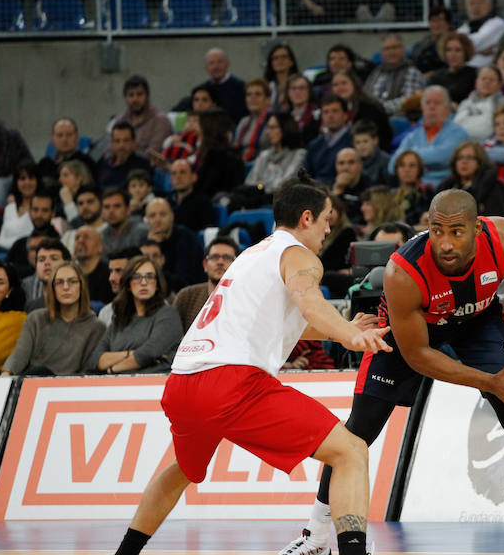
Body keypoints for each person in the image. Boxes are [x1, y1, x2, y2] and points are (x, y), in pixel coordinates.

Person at [286, 187, 504, 555]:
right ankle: (315, 535)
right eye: (436, 230)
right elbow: (417, 355)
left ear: (477, 229)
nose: (444, 242)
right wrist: (491, 382)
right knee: (357, 432)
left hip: (478, 319)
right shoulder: (402, 271)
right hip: (411, 333)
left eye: (456, 231)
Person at [112, 173, 391, 555]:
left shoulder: (252, 254)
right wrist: (349, 335)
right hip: (232, 383)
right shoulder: (299, 255)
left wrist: (339, 328)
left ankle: (125, 552)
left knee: (181, 470)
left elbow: (284, 318)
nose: (330, 226)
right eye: (328, 217)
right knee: (351, 451)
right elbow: (308, 299)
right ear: (306, 218)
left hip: (182, 383)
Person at [2, 261, 106, 376]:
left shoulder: (96, 327)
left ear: (82, 287)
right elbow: (20, 354)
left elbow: (88, 370)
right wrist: (6, 373)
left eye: (72, 282)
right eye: (59, 282)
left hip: (69, 387)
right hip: (32, 382)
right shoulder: (36, 319)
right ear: (52, 288)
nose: (66, 287)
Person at [89, 255, 183, 375]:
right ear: (128, 284)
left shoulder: (168, 315)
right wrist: (130, 354)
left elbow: (150, 352)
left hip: (154, 387)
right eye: (137, 277)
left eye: (149, 276)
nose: (143, 282)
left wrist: (113, 369)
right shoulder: (119, 319)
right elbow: (95, 359)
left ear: (157, 284)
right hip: (116, 388)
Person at [388, 86, 469, 188]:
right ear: (422, 108)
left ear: (447, 109)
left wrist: (411, 155)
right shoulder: (413, 135)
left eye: (437, 103)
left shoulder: (458, 133)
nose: (431, 107)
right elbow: (392, 166)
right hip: (413, 190)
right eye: (427, 103)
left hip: (444, 189)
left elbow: (444, 157)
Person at [173, 236, 240, 332]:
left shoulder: (244, 299)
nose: (220, 262)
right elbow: (172, 336)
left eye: (227, 258)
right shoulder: (186, 297)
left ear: (237, 265)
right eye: (214, 257)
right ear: (205, 265)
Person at [435, 141, 504, 220]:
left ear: (480, 162)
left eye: (470, 157)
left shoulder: (494, 187)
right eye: (460, 158)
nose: (464, 162)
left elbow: (503, 222)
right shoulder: (445, 188)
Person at [144, 198, 204, 290]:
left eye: (162, 214)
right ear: (146, 219)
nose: (158, 219)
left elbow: (182, 281)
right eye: (152, 216)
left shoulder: (186, 238)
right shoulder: (145, 242)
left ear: (172, 216)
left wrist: (160, 246)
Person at [0, 102, 32, 205]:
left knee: (0, 184)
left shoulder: (4, 134)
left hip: (20, 176)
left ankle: (1, 216)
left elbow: (2, 170)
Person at [364, 34, 426, 117]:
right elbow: (365, 94)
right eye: (387, 49)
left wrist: (378, 108)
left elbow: (409, 101)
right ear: (381, 53)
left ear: (403, 50)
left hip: (396, 117)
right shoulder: (376, 72)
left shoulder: (411, 71)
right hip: (372, 116)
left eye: (395, 47)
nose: (391, 52)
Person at [331, 69, 393, 151]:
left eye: (344, 83)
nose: (340, 88)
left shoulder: (370, 107)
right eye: (335, 85)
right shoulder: (331, 110)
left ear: (354, 84)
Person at [112, 75, 173, 157]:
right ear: (125, 98)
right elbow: (110, 151)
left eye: (139, 94)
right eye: (131, 95)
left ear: (147, 96)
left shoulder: (160, 121)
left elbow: (152, 155)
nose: (135, 99)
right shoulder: (119, 120)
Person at [245, 112, 306, 194]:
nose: (268, 132)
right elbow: (249, 182)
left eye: (273, 127)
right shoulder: (264, 155)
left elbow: (285, 185)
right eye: (268, 127)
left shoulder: (299, 155)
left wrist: (261, 185)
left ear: (286, 128)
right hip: (257, 199)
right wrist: (261, 186)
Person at [193, 108, 245, 198]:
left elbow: (205, 189)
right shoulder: (205, 154)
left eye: (199, 124)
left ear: (208, 129)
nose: (196, 129)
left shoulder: (220, 158)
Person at [305, 96, 354, 186]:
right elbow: (307, 176)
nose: (330, 116)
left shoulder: (354, 142)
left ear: (345, 115)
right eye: (326, 112)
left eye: (335, 111)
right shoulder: (314, 145)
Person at [455, 0, 504, 67]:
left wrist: (466, 51)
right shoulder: (463, 28)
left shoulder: (498, 24)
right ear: (467, 8)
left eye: (480, 2)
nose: (476, 7)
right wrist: (480, 51)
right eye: (472, 3)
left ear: (490, 6)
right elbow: (457, 46)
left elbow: (473, 43)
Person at [0, 160, 38, 250]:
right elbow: (2, 237)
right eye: (22, 178)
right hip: (2, 250)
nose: (27, 182)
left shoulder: (40, 207)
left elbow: (28, 239)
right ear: (16, 182)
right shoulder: (10, 208)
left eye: (31, 178)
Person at [96, 123, 153, 192]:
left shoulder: (142, 163)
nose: (121, 145)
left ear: (133, 143)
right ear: (111, 143)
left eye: (126, 141)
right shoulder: (103, 164)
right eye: (117, 141)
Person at [453, 66, 504, 141]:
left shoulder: (503, 105)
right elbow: (456, 126)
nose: (487, 82)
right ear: (476, 82)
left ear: (499, 85)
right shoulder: (465, 103)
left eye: (491, 80)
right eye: (483, 79)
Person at [428, 32, 478, 105]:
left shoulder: (475, 75)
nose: (453, 54)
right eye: (448, 50)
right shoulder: (436, 77)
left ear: (466, 52)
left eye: (458, 50)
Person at [22, 238, 70, 310]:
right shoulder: (29, 308)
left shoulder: (80, 306)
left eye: (54, 258)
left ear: (67, 264)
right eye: (41, 259)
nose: (47, 263)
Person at [202, 47, 247, 123]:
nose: (216, 66)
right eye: (211, 63)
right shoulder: (202, 89)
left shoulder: (241, 87)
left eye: (220, 62)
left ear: (227, 64)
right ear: (206, 68)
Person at [97, 247, 140, 327]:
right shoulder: (106, 313)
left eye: (119, 271)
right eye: (110, 271)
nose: (111, 278)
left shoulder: (158, 308)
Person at [167, 159, 213, 232]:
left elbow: (206, 232)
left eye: (183, 172)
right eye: (174, 173)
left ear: (194, 177)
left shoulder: (203, 202)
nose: (178, 176)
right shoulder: (166, 202)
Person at [232, 79, 272, 163]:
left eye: (258, 94)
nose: (253, 98)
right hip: (242, 165)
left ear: (267, 100)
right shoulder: (243, 122)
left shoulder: (273, 120)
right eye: (249, 94)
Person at [100, 189, 148, 256]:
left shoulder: (143, 232)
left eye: (117, 206)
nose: (111, 211)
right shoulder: (101, 236)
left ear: (128, 210)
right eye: (107, 207)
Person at [73, 225, 112, 303]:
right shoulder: (69, 274)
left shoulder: (110, 275)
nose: (80, 240)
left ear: (100, 247)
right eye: (77, 238)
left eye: (86, 237)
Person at [392, 150, 432, 228]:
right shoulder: (390, 194)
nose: (407, 170)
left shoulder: (426, 194)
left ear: (419, 170)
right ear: (397, 169)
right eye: (402, 165)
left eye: (412, 166)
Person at [410, 5, 452, 76]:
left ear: (448, 24)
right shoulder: (420, 45)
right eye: (433, 21)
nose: (436, 24)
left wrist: (431, 75)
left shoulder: (453, 44)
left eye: (440, 20)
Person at [282, 73, 321, 148]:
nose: (297, 92)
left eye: (302, 88)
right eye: (293, 88)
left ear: (309, 91)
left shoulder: (318, 115)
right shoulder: (284, 118)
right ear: (288, 92)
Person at [333, 148, 371, 223]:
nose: (346, 167)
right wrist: (338, 190)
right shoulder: (331, 186)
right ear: (336, 166)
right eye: (341, 163)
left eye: (351, 162)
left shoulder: (370, 187)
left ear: (360, 165)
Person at [351, 119, 390, 187]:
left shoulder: (386, 161)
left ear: (375, 141)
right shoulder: (351, 161)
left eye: (365, 141)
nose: (361, 146)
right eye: (358, 142)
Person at [264, 42, 299, 111]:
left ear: (291, 62)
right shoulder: (267, 87)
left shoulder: (299, 84)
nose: (280, 60)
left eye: (284, 57)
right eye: (275, 58)